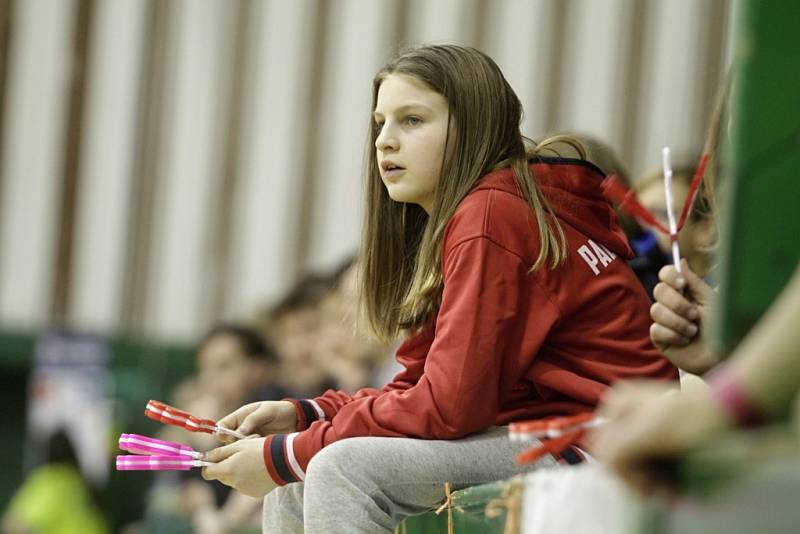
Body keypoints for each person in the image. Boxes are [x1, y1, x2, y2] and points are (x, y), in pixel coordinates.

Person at [200, 44, 676, 533]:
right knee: (297, 483)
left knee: (340, 470)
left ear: (472, 128)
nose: (385, 141)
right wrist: (306, 413)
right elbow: (420, 384)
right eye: (380, 123)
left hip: (603, 444)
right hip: (546, 434)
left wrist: (289, 453)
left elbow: (449, 407)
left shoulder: (492, 215)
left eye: (411, 121)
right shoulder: (484, 212)